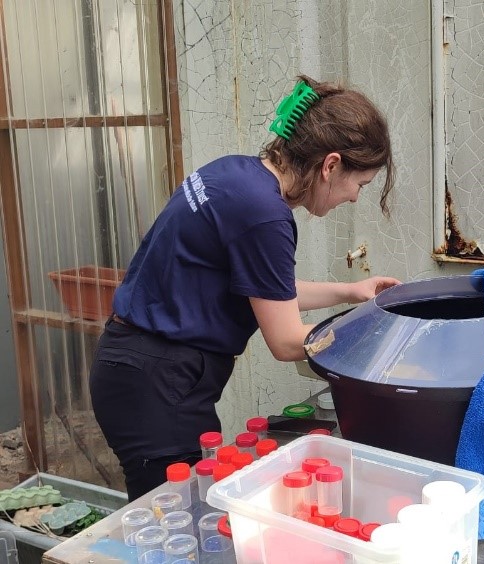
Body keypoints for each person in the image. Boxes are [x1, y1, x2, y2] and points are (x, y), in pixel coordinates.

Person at [89, 75, 399, 501]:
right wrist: (367, 334)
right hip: (157, 386)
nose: (354, 198)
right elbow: (288, 342)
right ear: (331, 165)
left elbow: (268, 290)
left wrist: (351, 292)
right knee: (178, 523)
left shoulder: (235, 173)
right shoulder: (265, 215)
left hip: (135, 367)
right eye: (359, 184)